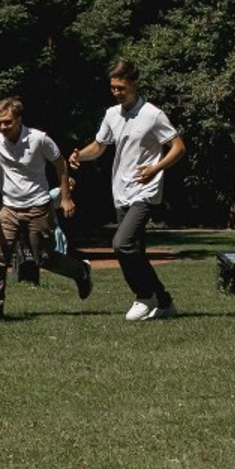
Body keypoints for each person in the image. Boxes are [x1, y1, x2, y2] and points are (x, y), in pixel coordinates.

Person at [69, 58, 186, 322]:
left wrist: (156, 169)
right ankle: (164, 302)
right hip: (120, 191)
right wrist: (79, 156)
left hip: (145, 191)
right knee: (135, 252)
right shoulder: (112, 114)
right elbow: (99, 146)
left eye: (121, 87)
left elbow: (178, 147)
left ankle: (144, 296)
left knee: (121, 244)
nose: (116, 92)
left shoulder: (153, 115)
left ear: (134, 84)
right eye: (113, 88)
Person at [0, 96, 93, 319]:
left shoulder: (39, 139)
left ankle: (80, 271)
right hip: (9, 208)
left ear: (19, 119)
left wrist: (66, 198)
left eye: (7, 122)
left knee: (44, 258)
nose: (2, 127)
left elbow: (60, 164)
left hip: (38, 205)